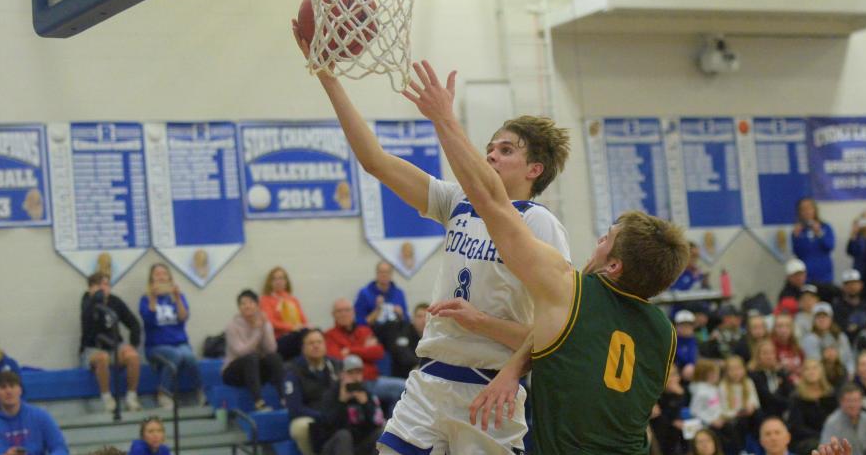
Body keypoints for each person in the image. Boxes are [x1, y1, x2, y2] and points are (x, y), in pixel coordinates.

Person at [296, 36, 573, 454]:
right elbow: (375, 160)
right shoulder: (456, 201)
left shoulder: (540, 225)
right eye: (490, 148)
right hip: (428, 382)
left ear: (535, 169)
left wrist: (484, 325)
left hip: (488, 385)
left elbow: (553, 334)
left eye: (506, 150)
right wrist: (327, 75)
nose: (492, 156)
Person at [401, 61, 689, 453]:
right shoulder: (663, 332)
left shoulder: (573, 292)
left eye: (606, 239)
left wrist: (444, 119)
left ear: (615, 265)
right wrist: (513, 366)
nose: (598, 242)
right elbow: (560, 340)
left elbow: (489, 200)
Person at [322, 299, 405, 418]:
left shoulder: (364, 330)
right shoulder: (329, 336)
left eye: (347, 310)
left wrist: (351, 350)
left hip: (373, 380)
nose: (344, 313)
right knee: (401, 388)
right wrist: (365, 350)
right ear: (333, 314)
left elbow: (378, 352)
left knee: (407, 388)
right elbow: (340, 360)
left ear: (353, 312)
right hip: (352, 384)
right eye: (339, 311)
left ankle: (392, 427)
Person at [139, 263, 202, 408]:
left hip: (179, 342)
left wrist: (178, 298)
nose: (161, 276)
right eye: (157, 274)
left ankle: (199, 391)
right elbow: (149, 320)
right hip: (156, 346)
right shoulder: (145, 299)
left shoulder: (178, 297)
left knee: (190, 357)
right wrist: (153, 299)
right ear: (151, 279)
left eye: (164, 273)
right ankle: (163, 393)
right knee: (175, 355)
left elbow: (183, 317)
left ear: (169, 277)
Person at [80, 271, 142, 412]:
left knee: (132, 356)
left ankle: (131, 397)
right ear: (91, 288)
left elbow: (134, 323)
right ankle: (107, 399)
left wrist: (133, 345)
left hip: (114, 346)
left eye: (107, 285)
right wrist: (96, 299)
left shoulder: (115, 301)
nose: (104, 288)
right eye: (99, 285)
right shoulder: (86, 302)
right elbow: (87, 321)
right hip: (93, 349)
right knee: (102, 358)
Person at [284, 328, 352, 455]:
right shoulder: (292, 371)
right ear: (303, 348)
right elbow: (295, 408)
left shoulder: (337, 366)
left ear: (325, 345)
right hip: (311, 416)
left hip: (336, 412)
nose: (316, 346)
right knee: (301, 426)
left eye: (319, 342)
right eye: (311, 343)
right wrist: (322, 416)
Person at [222, 289, 284, 411]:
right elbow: (241, 352)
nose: (247, 306)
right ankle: (258, 402)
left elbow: (271, 349)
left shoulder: (263, 323)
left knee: (275, 357)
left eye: (250, 302)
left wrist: (265, 326)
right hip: (234, 371)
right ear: (239, 307)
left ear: (257, 305)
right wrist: (256, 331)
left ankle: (284, 398)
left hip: (254, 371)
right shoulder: (232, 326)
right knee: (252, 357)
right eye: (243, 303)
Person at [317, 354, 385, 455]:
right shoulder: (331, 394)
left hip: (360, 445)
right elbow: (326, 427)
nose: (354, 377)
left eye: (358, 372)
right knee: (344, 435)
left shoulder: (366, 393)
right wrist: (341, 402)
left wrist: (365, 404)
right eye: (350, 373)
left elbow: (377, 422)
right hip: (334, 445)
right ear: (341, 375)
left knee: (384, 431)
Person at [0, 371, 67, 455]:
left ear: (20, 390)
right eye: (3, 387)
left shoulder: (40, 416)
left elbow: (60, 448)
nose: (8, 391)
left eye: (12, 386)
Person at [819, 384, 866, 455]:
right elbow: (825, 450)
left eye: (856, 400)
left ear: (861, 401)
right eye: (849, 401)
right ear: (841, 402)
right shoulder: (832, 422)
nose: (853, 405)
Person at [786, 360, 837, 455]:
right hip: (806, 440)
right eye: (807, 369)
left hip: (830, 436)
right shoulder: (797, 397)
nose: (811, 371)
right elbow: (797, 427)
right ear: (803, 373)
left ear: (821, 371)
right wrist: (822, 436)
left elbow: (837, 419)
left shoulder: (830, 394)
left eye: (814, 368)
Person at [260, 267, 310, 361]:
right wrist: (291, 327)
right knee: (303, 336)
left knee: (314, 334)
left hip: (297, 335)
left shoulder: (293, 300)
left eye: (281, 278)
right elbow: (271, 322)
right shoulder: (265, 300)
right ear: (270, 282)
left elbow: (303, 320)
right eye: (275, 279)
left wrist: (306, 327)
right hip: (279, 339)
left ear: (286, 281)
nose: (278, 281)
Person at [792, 198, 836, 290]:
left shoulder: (825, 227)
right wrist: (796, 238)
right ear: (799, 212)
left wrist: (819, 233)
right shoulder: (798, 230)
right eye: (803, 209)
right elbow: (797, 253)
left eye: (809, 208)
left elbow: (829, 246)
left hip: (825, 277)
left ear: (815, 210)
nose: (806, 212)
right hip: (806, 278)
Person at [801, 302, 854, 374]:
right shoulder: (809, 339)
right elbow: (811, 363)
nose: (822, 320)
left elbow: (848, 360)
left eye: (825, 316)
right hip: (819, 376)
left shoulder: (840, 336)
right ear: (814, 320)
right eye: (818, 317)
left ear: (831, 319)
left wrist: (837, 357)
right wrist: (824, 357)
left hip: (840, 374)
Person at [748, 339, 794, 420]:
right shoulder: (754, 375)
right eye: (765, 353)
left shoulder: (780, 372)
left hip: (782, 409)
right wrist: (789, 403)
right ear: (758, 356)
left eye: (772, 353)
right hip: (764, 412)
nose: (769, 356)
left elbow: (790, 390)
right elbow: (767, 397)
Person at [650, 364, 688, 455]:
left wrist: (679, 396)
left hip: (674, 427)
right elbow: (662, 413)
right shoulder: (656, 394)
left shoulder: (681, 391)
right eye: (670, 375)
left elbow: (680, 413)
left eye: (675, 374)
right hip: (659, 428)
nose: (673, 379)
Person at [833, 269, 866, 342]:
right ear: (842, 287)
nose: (852, 287)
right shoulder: (837, 308)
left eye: (855, 283)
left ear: (861, 285)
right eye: (848, 284)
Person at [675, 310, 699, 380]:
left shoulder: (695, 340)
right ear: (676, 326)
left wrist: (692, 364)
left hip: (693, 371)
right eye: (682, 325)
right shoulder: (673, 340)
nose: (686, 328)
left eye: (688, 325)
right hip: (678, 371)